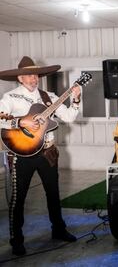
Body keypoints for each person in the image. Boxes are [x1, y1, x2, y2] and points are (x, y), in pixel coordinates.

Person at [0, 56, 80, 256]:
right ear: (20, 78)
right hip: (22, 154)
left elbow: (69, 117)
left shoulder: (49, 97)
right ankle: (16, 239)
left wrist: (76, 98)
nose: (33, 78)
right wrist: (21, 123)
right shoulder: (10, 98)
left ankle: (58, 230)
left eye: (35, 74)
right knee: (19, 199)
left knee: (53, 193)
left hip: (47, 152)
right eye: (28, 75)